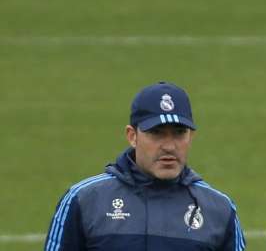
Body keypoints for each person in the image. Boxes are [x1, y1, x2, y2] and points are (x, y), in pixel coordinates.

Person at [44, 82, 246, 251]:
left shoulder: (219, 209)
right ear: (132, 136)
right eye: (156, 133)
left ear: (191, 136)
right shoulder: (84, 200)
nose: (169, 146)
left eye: (179, 132)